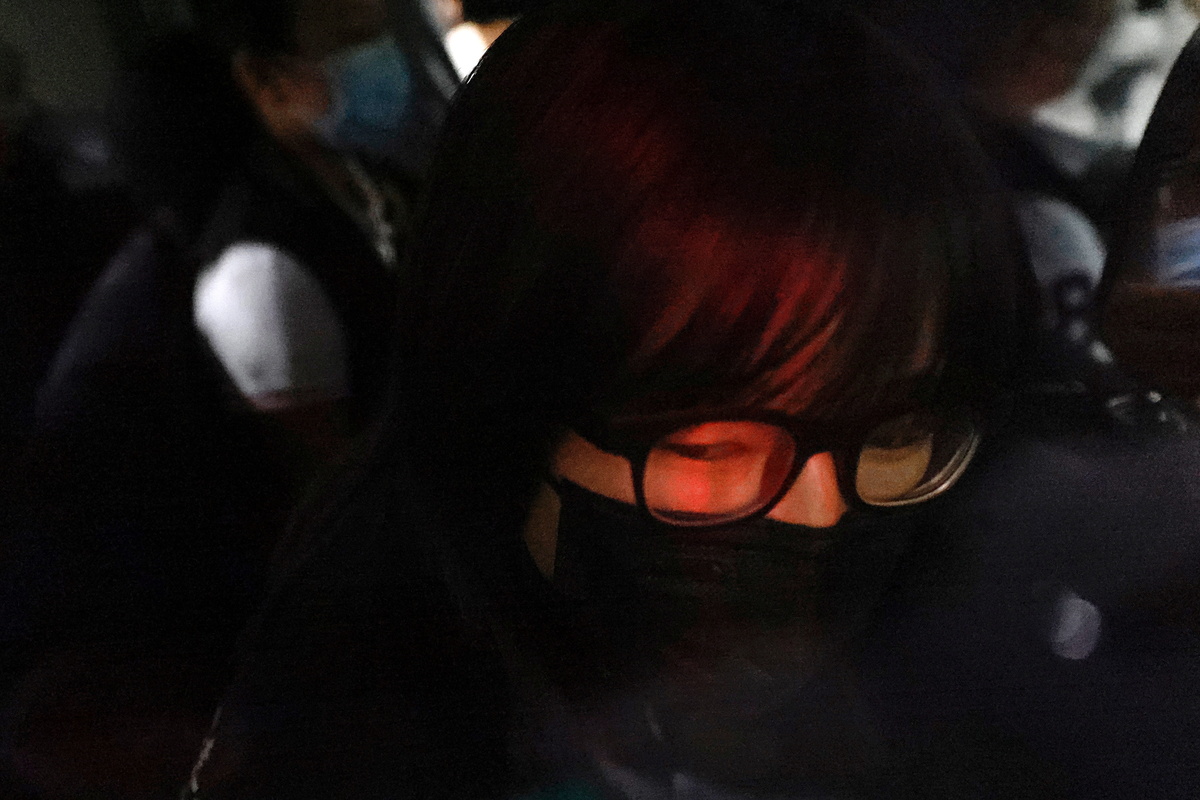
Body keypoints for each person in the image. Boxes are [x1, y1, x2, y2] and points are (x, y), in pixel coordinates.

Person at [184, 2, 1030, 798]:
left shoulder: (962, 622)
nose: (819, 514)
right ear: (509, 407)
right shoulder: (368, 706)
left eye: (894, 435)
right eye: (706, 445)